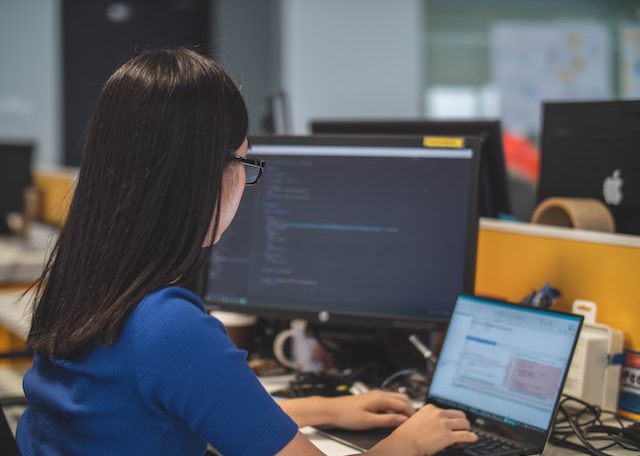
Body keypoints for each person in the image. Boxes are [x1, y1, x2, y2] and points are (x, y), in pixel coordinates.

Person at [16, 48, 478, 455]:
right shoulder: (170, 327)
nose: (246, 182)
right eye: (245, 161)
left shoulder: (82, 284)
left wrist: (327, 407)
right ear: (203, 174)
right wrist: (411, 442)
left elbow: (191, 401)